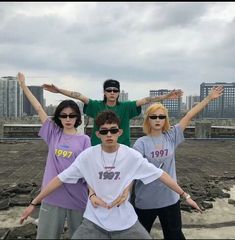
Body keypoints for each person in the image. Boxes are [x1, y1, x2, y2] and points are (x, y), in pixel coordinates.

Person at [20, 110, 202, 239]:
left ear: (120, 132)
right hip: (94, 222)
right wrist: (34, 202)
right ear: (98, 134)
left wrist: (185, 196)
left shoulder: (131, 155)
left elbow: (161, 175)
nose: (109, 135)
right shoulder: (87, 156)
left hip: (127, 223)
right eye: (104, 131)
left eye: (113, 130)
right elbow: (58, 180)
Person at [132, 85, 224, 239]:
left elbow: (189, 116)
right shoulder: (140, 143)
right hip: (146, 201)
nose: (157, 120)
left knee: (174, 235)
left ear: (165, 119)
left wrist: (208, 98)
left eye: (161, 117)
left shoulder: (171, 136)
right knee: (139, 236)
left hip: (170, 199)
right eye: (153, 117)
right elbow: (132, 172)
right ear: (148, 119)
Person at [17, 72, 91, 239]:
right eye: (63, 115)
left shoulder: (85, 140)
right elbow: (38, 108)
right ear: (58, 117)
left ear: (77, 118)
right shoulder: (53, 133)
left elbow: (88, 170)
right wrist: (23, 85)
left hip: (78, 198)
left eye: (72, 115)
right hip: (51, 197)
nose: (68, 119)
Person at [42, 79, 183, 146]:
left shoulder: (126, 107)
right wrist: (59, 90)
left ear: (118, 93)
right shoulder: (96, 106)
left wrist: (165, 97)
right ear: (104, 92)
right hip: (98, 148)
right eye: (109, 90)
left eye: (115, 90)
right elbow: (79, 96)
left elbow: (146, 100)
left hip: (122, 149)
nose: (112, 93)